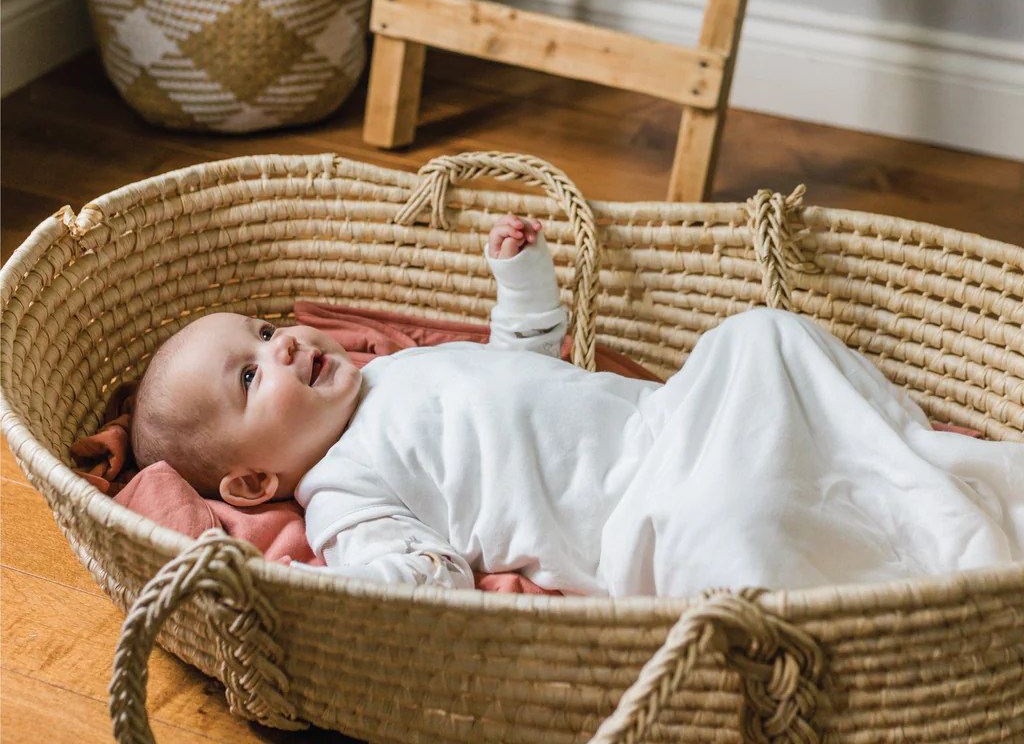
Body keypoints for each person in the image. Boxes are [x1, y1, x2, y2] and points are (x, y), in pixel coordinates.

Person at [131, 215, 1024, 597]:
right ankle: (914, 578)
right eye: (249, 377)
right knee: (727, 532)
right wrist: (315, 594)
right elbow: (414, 577)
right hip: (640, 513)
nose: (280, 342)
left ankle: (903, 464)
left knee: (760, 336)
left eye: (261, 329)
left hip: (672, 419)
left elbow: (521, 366)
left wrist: (519, 282)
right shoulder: (342, 493)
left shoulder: (397, 368)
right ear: (251, 482)